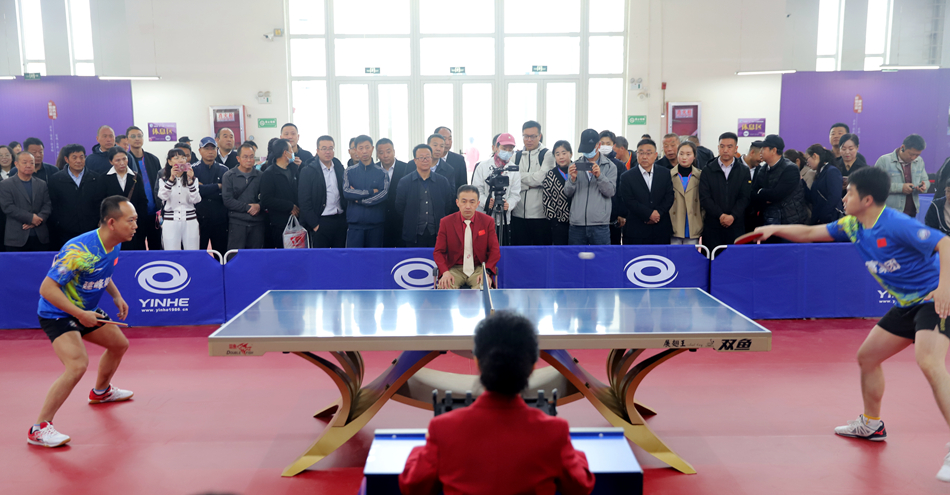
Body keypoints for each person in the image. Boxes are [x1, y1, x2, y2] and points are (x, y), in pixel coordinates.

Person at [753, 166, 950, 482]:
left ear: (867, 199)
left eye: (849, 193)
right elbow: (809, 233)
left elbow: (945, 244)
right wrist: (773, 229)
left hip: (933, 299)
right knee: (868, 357)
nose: (844, 198)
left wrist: (945, 288)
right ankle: (871, 424)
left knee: (929, 361)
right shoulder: (852, 225)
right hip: (907, 304)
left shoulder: (895, 224)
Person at [399, 311, 595, 494]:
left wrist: (423, 448)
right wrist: (571, 451)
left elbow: (412, 485)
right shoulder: (554, 432)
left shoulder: (443, 429)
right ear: (532, 367)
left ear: (478, 362)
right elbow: (581, 486)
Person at [28, 196, 136, 448]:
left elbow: (101, 272)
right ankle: (39, 428)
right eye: (130, 220)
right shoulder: (79, 250)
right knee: (77, 365)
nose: (135, 226)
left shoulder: (114, 243)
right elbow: (47, 289)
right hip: (57, 313)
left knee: (119, 345)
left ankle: (101, 392)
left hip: (86, 310)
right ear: (112, 222)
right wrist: (78, 313)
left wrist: (116, 295)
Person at [433, 185, 501, 290]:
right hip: (454, 269)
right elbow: (438, 252)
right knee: (445, 287)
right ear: (457, 203)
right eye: (464, 201)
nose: (468, 206)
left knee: (484, 288)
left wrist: (486, 272)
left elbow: (495, 251)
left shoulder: (488, 221)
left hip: (478, 268)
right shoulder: (446, 222)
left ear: (478, 203)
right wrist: (445, 272)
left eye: (472, 202)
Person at [47, 144, 107, 249]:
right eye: (74, 157)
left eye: (82, 157)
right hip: (65, 232)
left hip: (91, 231)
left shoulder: (96, 178)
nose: (79, 161)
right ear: (66, 159)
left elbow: (100, 203)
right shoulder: (56, 180)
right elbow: (54, 205)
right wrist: (60, 223)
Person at [563, 129, 617, 245]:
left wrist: (599, 176)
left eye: (589, 149)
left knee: (601, 255)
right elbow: (567, 193)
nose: (587, 153)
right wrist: (572, 179)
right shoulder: (574, 166)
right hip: (577, 224)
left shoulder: (610, 166)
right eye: (584, 150)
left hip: (600, 225)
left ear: (598, 145)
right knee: (575, 256)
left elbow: (610, 192)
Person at [699, 132, 752, 249]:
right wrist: (720, 215)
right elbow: (705, 197)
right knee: (713, 258)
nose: (725, 150)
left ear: (736, 149)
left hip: (736, 225)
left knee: (735, 258)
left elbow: (745, 197)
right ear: (718, 148)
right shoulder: (708, 170)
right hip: (713, 225)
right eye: (722, 146)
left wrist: (732, 216)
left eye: (729, 146)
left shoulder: (743, 170)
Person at [396, 144, 454, 248]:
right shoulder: (405, 182)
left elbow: (447, 205)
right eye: (421, 157)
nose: (425, 160)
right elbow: (400, 207)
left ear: (431, 159)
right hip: (413, 234)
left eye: (427, 157)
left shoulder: (442, 181)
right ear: (415, 160)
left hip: (437, 233)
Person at [619, 138, 674, 244]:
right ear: (637, 154)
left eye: (648, 153)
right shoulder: (626, 176)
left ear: (655, 155)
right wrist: (649, 214)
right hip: (636, 230)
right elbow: (629, 201)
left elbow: (669, 196)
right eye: (641, 153)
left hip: (661, 228)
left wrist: (658, 213)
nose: (644, 157)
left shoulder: (665, 173)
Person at [298, 135, 348, 248]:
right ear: (317, 151)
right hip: (320, 221)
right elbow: (304, 200)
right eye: (324, 148)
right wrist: (315, 224)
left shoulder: (339, 167)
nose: (328, 152)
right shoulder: (308, 171)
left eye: (330, 148)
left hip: (340, 220)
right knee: (320, 257)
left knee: (339, 255)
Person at [511, 120, 555, 246]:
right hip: (518, 214)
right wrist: (529, 184)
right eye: (526, 136)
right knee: (520, 252)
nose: (529, 140)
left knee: (541, 252)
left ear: (539, 136)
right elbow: (511, 180)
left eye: (533, 136)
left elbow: (540, 179)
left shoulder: (547, 154)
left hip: (540, 216)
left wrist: (520, 179)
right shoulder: (516, 156)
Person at [471, 133, 520, 244]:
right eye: (504, 148)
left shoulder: (513, 169)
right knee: (483, 246)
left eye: (510, 149)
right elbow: (476, 190)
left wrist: (509, 204)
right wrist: (486, 202)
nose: (507, 152)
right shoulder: (482, 166)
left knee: (502, 247)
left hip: (504, 219)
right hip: (484, 215)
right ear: (496, 147)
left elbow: (515, 194)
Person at [750, 134, 807, 226]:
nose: (760, 151)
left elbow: (777, 195)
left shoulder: (790, 169)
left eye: (764, 148)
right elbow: (753, 193)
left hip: (789, 220)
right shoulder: (763, 169)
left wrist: (761, 192)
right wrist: (765, 196)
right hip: (768, 219)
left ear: (773, 150)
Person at [342, 135, 389, 248]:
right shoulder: (349, 172)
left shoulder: (382, 173)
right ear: (355, 150)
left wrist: (360, 201)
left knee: (374, 257)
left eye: (367, 147)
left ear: (372, 149)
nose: (364, 151)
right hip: (355, 224)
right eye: (361, 148)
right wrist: (370, 191)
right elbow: (347, 192)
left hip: (375, 224)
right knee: (354, 257)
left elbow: (383, 194)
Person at [0, 151, 51, 251]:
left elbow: (47, 205)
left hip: (40, 236)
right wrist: (31, 218)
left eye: (32, 163)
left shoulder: (42, 184)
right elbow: (8, 207)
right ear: (16, 164)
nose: (28, 165)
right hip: (16, 238)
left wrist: (38, 219)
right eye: (24, 162)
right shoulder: (5, 184)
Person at [103, 146, 148, 250]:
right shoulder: (104, 178)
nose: (122, 163)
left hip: (134, 225)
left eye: (124, 159)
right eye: (118, 160)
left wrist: (140, 223)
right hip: (114, 226)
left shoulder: (136, 177)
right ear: (111, 162)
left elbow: (142, 201)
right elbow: (102, 203)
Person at [222, 143, 264, 250]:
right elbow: (227, 200)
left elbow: (266, 197)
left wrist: (259, 206)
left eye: (251, 156)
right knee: (235, 256)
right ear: (238, 158)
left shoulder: (261, 176)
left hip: (257, 223)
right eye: (245, 157)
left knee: (256, 256)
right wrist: (248, 207)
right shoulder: (229, 176)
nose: (249, 160)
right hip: (237, 223)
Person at [126, 126, 163, 250]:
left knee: (156, 247)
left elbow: (160, 184)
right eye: (133, 136)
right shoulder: (125, 160)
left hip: (154, 213)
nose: (137, 139)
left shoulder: (153, 159)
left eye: (139, 136)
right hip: (135, 214)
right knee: (138, 247)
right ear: (127, 139)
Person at [875, 134, 928, 219]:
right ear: (902, 147)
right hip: (889, 213)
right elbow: (875, 185)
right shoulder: (884, 161)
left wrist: (924, 186)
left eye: (917, 155)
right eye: (911, 154)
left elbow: (925, 180)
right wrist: (900, 188)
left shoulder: (919, 161)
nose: (914, 158)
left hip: (911, 213)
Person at [260, 139, 301, 248]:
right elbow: (266, 199)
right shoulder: (269, 173)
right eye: (291, 150)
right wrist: (289, 206)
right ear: (285, 153)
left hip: (296, 221)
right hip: (279, 223)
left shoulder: (293, 169)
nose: (293, 152)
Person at [191, 137, 230, 252]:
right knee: (199, 253)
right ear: (200, 151)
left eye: (213, 148)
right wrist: (217, 186)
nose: (210, 151)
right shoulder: (193, 169)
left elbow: (225, 193)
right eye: (206, 148)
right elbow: (194, 192)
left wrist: (203, 189)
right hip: (199, 219)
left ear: (217, 150)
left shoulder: (224, 170)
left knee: (221, 253)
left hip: (220, 219)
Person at [157, 148, 201, 250]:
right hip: (171, 220)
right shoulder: (163, 180)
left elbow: (196, 200)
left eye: (183, 158)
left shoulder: (194, 179)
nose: (180, 160)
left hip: (190, 219)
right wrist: (171, 179)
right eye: (176, 158)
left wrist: (190, 181)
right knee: (171, 251)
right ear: (170, 162)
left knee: (192, 251)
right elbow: (162, 196)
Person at [377, 138, 410, 247]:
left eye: (388, 151)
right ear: (377, 154)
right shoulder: (374, 169)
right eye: (381, 152)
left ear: (394, 152)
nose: (385, 155)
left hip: (401, 219)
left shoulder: (406, 168)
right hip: (379, 219)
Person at [669, 141, 703, 245]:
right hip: (674, 224)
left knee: (691, 253)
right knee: (674, 253)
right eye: (681, 154)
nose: (684, 157)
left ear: (694, 156)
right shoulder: (668, 175)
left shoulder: (701, 176)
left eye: (688, 154)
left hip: (694, 224)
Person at [597, 131, 627, 245]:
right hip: (596, 215)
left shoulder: (619, 165)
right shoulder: (593, 164)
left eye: (608, 143)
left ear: (614, 145)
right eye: (602, 143)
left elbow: (622, 190)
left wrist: (621, 213)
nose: (605, 146)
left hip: (613, 215)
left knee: (614, 246)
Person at [542, 140, 575, 245]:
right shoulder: (550, 175)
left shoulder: (578, 171)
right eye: (557, 154)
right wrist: (554, 221)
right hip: (559, 224)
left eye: (564, 153)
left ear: (571, 154)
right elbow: (547, 200)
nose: (561, 157)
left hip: (578, 223)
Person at [804, 144, 844, 225]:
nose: (807, 163)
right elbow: (812, 198)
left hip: (830, 220)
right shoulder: (819, 173)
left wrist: (825, 216)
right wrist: (802, 182)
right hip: (818, 219)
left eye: (807, 159)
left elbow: (834, 196)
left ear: (815, 156)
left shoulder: (831, 171)